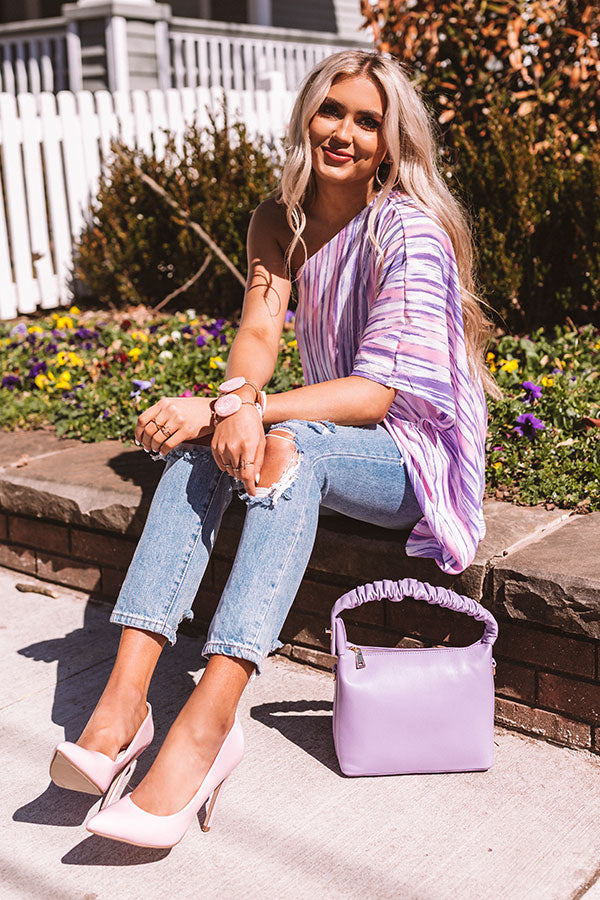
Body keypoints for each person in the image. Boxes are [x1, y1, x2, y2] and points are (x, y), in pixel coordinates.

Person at [49, 50, 499, 848]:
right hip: (336, 429)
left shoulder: (407, 230)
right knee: (204, 451)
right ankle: (122, 708)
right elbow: (259, 333)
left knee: (289, 452)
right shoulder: (277, 220)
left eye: (369, 121)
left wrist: (247, 407)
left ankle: (210, 723)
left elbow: (377, 395)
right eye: (333, 111)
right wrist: (229, 406)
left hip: (411, 459)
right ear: (306, 115)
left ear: (392, 143)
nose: (345, 133)